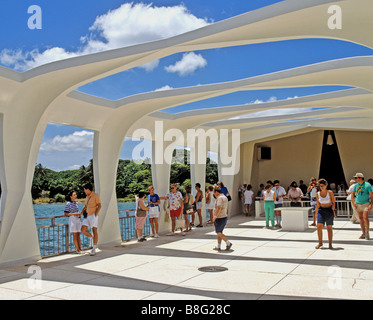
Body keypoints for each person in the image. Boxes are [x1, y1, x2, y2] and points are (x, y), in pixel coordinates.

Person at [80, 183, 101, 256]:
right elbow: (85, 206)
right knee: (82, 230)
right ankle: (91, 237)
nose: (84, 191)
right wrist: (81, 213)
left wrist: (95, 215)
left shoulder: (96, 195)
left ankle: (94, 248)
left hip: (93, 215)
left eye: (85, 189)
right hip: (87, 216)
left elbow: (99, 205)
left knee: (94, 230)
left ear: (88, 189)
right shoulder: (87, 197)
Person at [315, 179, 336, 249]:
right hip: (321, 210)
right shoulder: (317, 194)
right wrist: (316, 213)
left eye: (322, 186)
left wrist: (333, 211)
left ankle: (330, 244)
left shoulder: (330, 192)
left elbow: (333, 203)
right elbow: (318, 204)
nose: (321, 187)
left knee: (329, 228)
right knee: (319, 226)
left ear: (326, 186)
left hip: (329, 209)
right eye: (320, 186)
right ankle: (320, 242)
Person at [351, 173, 373, 240]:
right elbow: (352, 194)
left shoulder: (367, 185)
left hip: (365, 203)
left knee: (365, 218)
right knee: (360, 218)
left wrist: (371, 204)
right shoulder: (356, 185)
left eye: (356, 178)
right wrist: (353, 202)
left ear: (360, 178)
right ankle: (363, 233)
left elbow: (371, 195)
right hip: (358, 204)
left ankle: (367, 232)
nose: (355, 179)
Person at [212, 187, 232, 251]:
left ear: (216, 192)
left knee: (218, 232)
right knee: (220, 232)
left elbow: (219, 207)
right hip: (224, 217)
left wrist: (215, 216)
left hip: (219, 218)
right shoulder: (224, 197)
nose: (213, 194)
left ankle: (228, 243)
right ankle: (218, 246)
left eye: (214, 192)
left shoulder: (219, 198)